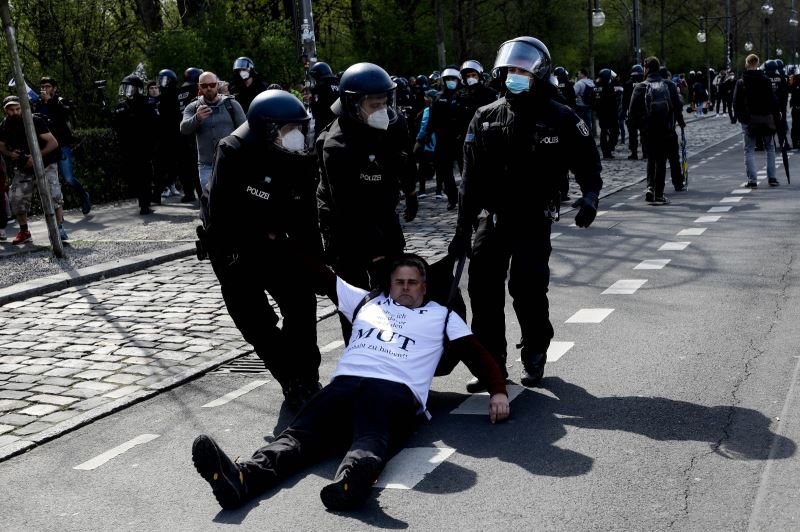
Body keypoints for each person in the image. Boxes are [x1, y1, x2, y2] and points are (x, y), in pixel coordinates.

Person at [191, 254, 510, 511]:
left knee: (370, 439)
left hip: (392, 390)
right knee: (296, 439)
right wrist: (284, 241)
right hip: (343, 387)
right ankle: (240, 478)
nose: (405, 289)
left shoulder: (439, 317)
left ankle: (351, 481)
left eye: (413, 283)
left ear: (425, 289)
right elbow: (327, 279)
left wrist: (497, 391)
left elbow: (477, 353)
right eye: (399, 282)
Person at [448, 36, 603, 392]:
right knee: (483, 288)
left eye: (522, 70)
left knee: (527, 286)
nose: (514, 76)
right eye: (510, 71)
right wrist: (461, 231)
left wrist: (591, 196)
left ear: (538, 74)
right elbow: (470, 180)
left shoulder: (560, 116)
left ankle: (534, 349)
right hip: (494, 217)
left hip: (534, 216)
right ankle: (491, 364)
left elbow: (587, 161)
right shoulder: (485, 117)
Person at [198, 89, 323, 407]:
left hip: (280, 241)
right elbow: (221, 216)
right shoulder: (235, 151)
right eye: (288, 129)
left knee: (302, 306)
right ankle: (290, 379)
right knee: (256, 321)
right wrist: (233, 262)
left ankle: (308, 378)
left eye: (299, 128)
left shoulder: (301, 159)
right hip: (235, 246)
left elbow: (307, 215)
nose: (295, 136)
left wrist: (317, 265)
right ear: (267, 129)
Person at [316, 62, 418, 343]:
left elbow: (404, 160)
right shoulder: (335, 145)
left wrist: (410, 194)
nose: (382, 110)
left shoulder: (393, 124)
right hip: (344, 224)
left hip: (382, 210)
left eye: (385, 102)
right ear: (354, 104)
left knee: (395, 287)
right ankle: (358, 361)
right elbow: (347, 207)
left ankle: (394, 357)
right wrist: (374, 253)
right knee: (356, 300)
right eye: (375, 105)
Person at [0, 95, 68, 243]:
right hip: (24, 168)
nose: (15, 112)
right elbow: (1, 145)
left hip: (46, 164)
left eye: (17, 108)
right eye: (11, 109)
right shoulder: (5, 124)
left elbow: (53, 143)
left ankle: (59, 229)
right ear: (6, 110)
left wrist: (35, 157)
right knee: (17, 199)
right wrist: (10, 154)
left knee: (54, 197)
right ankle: (24, 232)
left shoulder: (35, 121)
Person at [628, 57, 685, 205]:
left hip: (648, 131)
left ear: (646, 69)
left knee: (651, 158)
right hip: (666, 129)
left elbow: (632, 112)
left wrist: (637, 129)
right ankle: (659, 193)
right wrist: (680, 123)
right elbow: (678, 107)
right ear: (658, 68)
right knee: (661, 161)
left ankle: (650, 187)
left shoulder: (640, 86)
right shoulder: (670, 85)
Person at [33, 77, 91, 215]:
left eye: (47, 86)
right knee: (51, 181)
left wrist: (50, 101)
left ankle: (84, 196)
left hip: (61, 146)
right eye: (42, 86)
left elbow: (66, 113)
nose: (44, 89)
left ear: (54, 88)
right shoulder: (37, 104)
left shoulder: (60, 101)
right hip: (46, 148)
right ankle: (58, 213)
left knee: (69, 178)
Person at [180, 71, 246, 192]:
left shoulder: (232, 104)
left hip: (230, 164)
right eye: (204, 86)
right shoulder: (193, 107)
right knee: (210, 203)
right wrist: (197, 118)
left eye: (212, 84)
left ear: (217, 85)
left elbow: (245, 132)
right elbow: (184, 129)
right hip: (206, 165)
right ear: (199, 87)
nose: (209, 88)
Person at [110, 75, 159, 215]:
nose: (126, 90)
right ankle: (143, 200)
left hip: (144, 147)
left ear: (138, 89)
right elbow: (115, 124)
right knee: (133, 176)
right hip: (128, 147)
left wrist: (152, 145)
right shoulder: (122, 106)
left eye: (129, 87)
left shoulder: (146, 104)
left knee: (144, 175)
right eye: (125, 87)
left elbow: (155, 125)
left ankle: (145, 203)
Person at [731, 54, 780, 187]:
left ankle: (753, 180)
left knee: (749, 150)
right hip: (766, 118)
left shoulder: (741, 82)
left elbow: (736, 103)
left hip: (749, 120)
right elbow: (773, 101)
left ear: (747, 64)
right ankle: (772, 178)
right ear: (758, 64)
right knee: (770, 148)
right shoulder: (765, 80)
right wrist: (776, 118)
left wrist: (742, 119)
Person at [425, 65, 464, 210]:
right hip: (443, 140)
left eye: (453, 78)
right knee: (445, 172)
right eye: (448, 79)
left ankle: (466, 197)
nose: (451, 81)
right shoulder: (438, 97)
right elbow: (432, 118)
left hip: (460, 140)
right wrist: (428, 133)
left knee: (464, 170)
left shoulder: (463, 95)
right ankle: (452, 198)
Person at [154, 69, 182, 198]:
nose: (161, 83)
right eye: (160, 80)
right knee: (161, 163)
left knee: (174, 162)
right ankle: (163, 187)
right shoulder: (158, 98)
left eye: (164, 80)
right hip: (161, 135)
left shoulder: (176, 95)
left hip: (175, 133)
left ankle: (171, 183)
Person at [176, 67, 203, 202]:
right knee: (197, 164)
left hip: (181, 131)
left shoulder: (178, 91)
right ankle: (202, 194)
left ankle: (188, 193)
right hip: (194, 131)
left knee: (184, 165)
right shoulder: (196, 89)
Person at [307, 61, 339, 139]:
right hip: (337, 124)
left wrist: (311, 101)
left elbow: (316, 109)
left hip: (324, 127)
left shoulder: (320, 87)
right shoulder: (337, 84)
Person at [594, 68, 620, 159]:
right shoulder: (608, 87)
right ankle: (609, 148)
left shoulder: (596, 86)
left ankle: (605, 151)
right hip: (610, 114)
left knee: (603, 132)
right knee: (615, 131)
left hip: (601, 114)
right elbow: (612, 102)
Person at [623, 64, 646, 160]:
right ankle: (646, 153)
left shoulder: (628, 84)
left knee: (633, 135)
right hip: (644, 113)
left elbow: (624, 101)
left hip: (632, 113)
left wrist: (624, 112)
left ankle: (634, 153)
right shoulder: (645, 84)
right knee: (644, 134)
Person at [573, 68, 595, 135]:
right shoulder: (592, 82)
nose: (578, 75)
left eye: (579, 73)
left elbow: (573, 94)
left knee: (580, 126)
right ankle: (590, 139)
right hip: (589, 107)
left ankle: (582, 141)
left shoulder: (579, 83)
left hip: (580, 107)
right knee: (588, 125)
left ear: (582, 74)